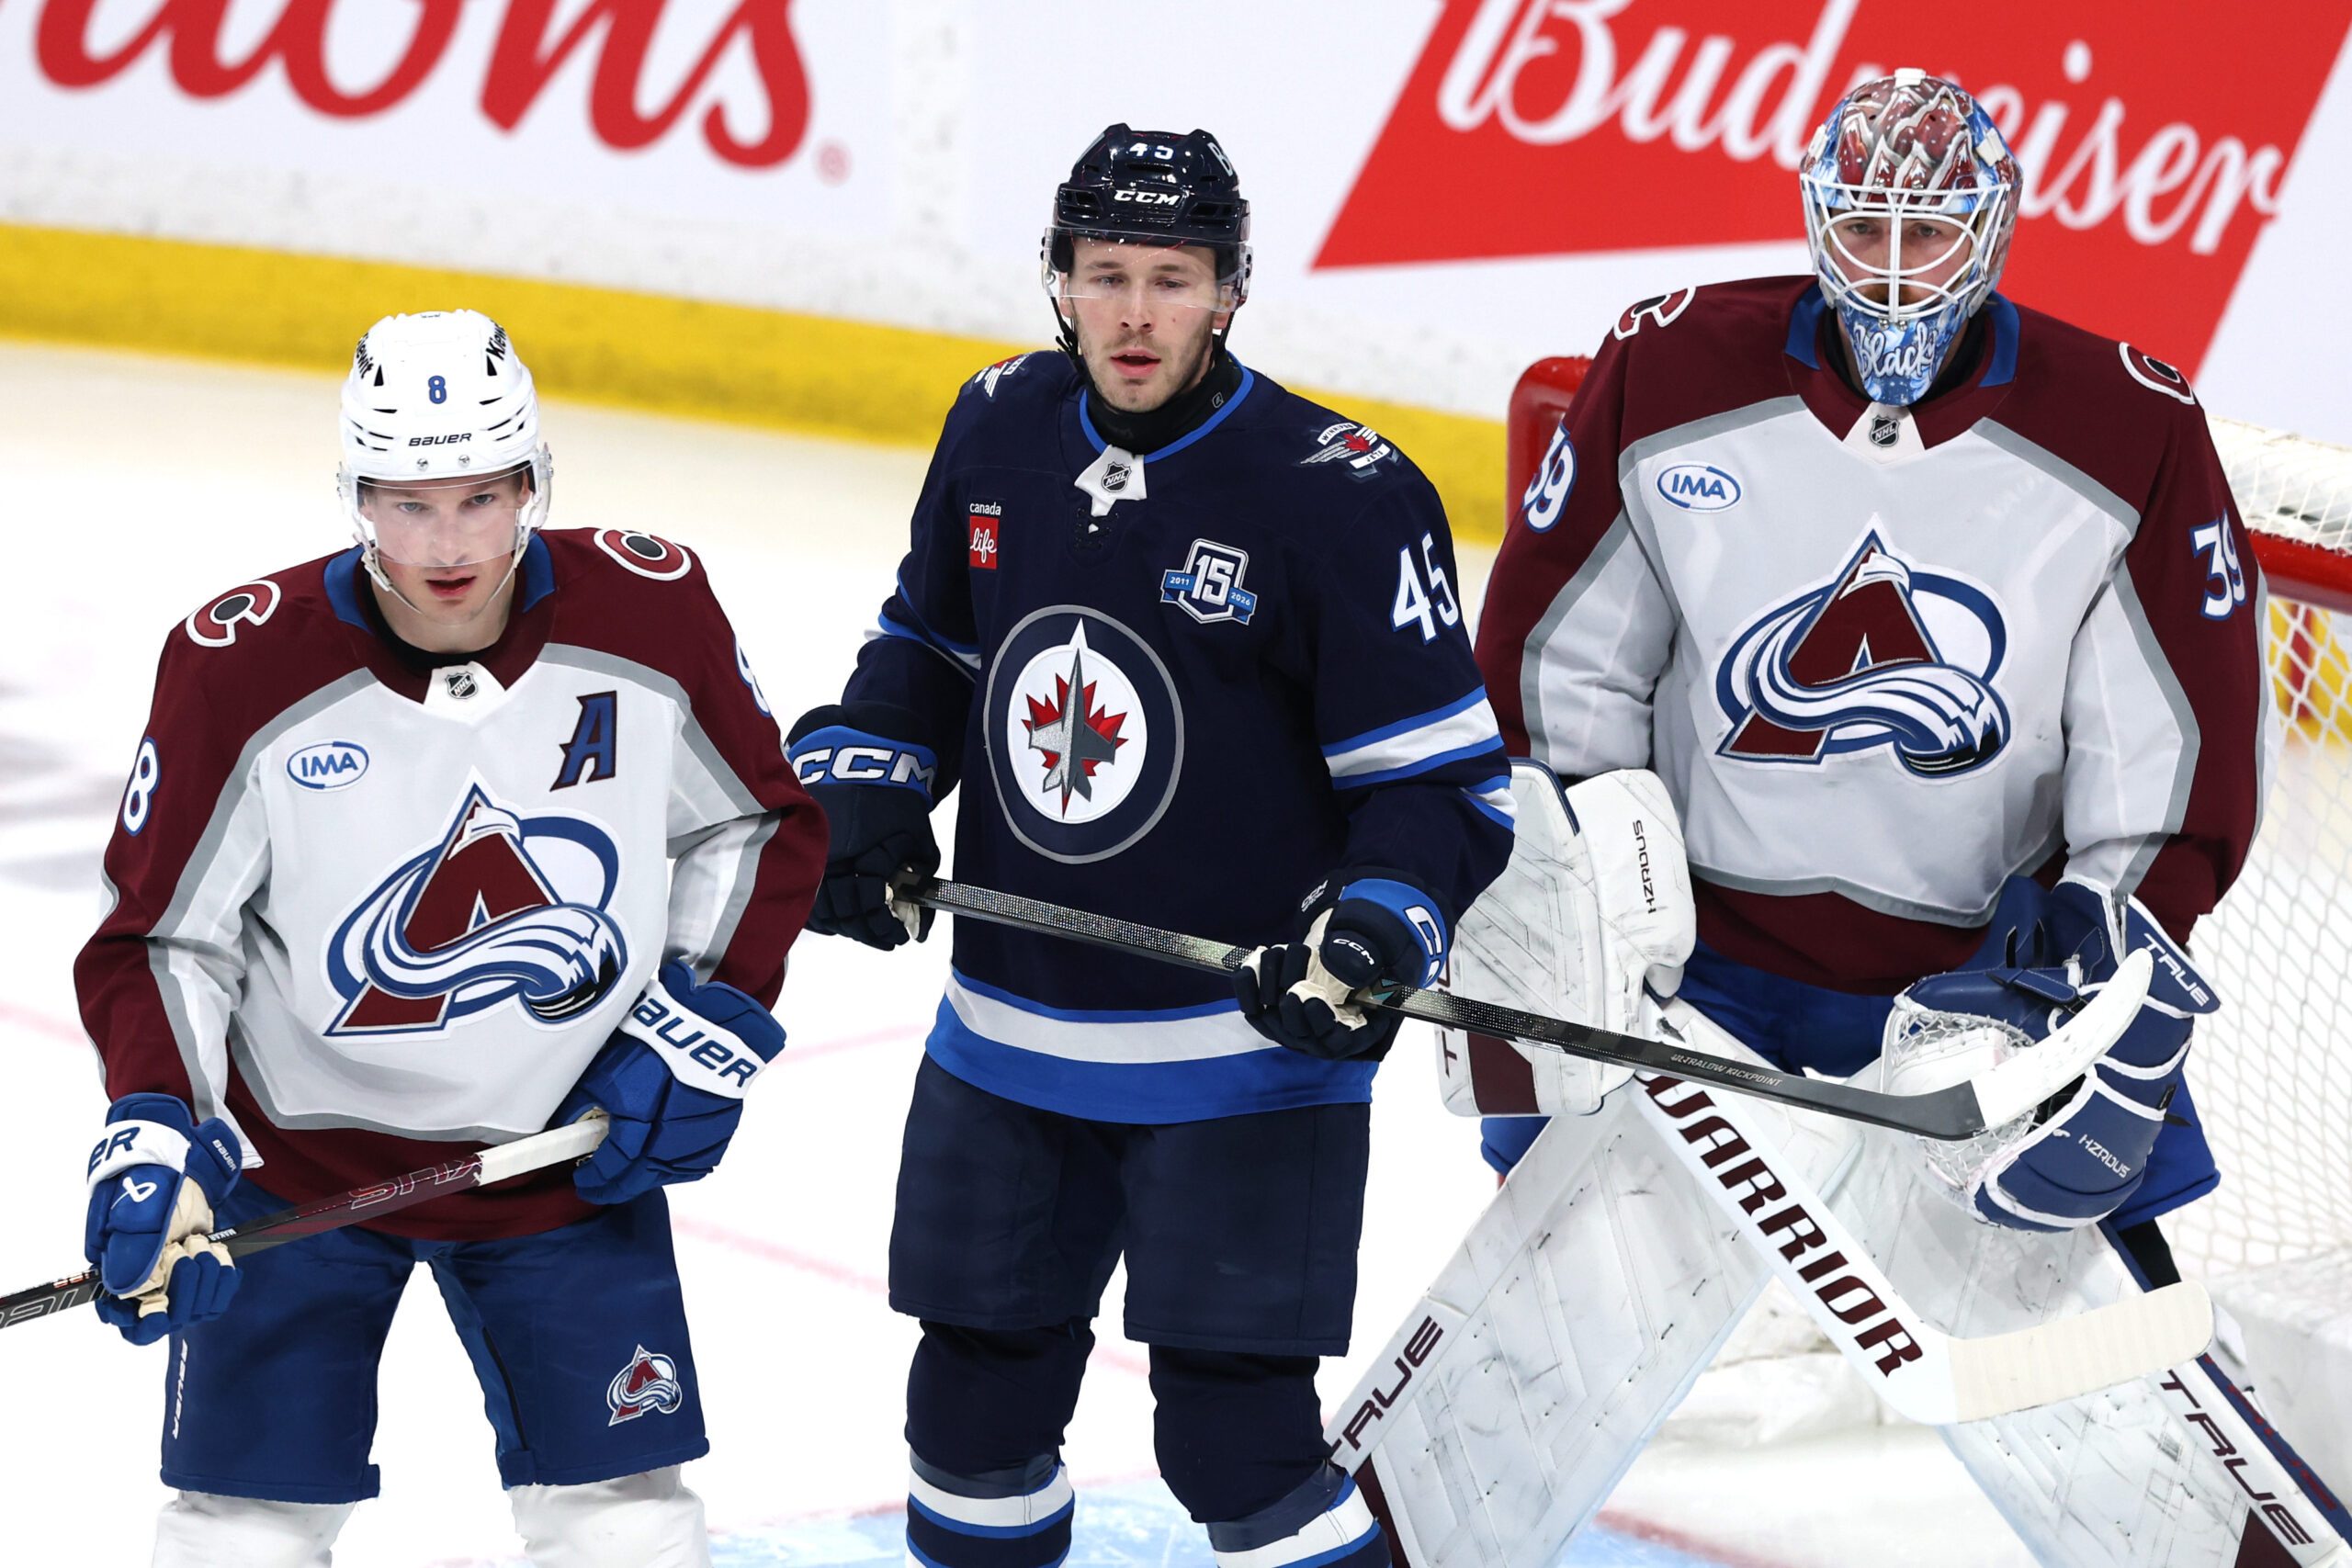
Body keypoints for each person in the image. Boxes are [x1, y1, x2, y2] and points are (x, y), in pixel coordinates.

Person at [1466, 70, 2294, 1562]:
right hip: (1696, 968)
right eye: (1863, 229)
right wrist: (1572, 869)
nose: (1893, 271)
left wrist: (2103, 976)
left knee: (2125, 1394)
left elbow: (2163, 755)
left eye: (1929, 234)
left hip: (1977, 997)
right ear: (1814, 219)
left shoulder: (2125, 424)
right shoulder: (1672, 368)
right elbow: (1558, 663)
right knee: (1535, 1316)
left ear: (1996, 230)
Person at [786, 125, 1512, 1568]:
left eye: (1171, 279)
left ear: (1232, 291)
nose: (1133, 313)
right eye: (1104, 274)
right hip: (1005, 1039)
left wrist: (1375, 925)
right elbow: (926, 648)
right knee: (970, 1418)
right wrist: (868, 781)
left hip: (1241, 1065)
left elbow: (1445, 791)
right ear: (1056, 279)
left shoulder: (1343, 495)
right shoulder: (994, 422)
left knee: (1233, 1450)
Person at [74, 309, 826, 1567]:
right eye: (408, 502)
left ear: (536, 482)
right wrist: (157, 1132)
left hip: (566, 1168)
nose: (448, 545)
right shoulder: (238, 665)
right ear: (354, 496)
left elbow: (757, 825)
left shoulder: (652, 611)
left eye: (482, 497)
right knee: (236, 1542)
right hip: (292, 1173)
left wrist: (698, 1028)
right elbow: (166, 940)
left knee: (628, 1534)